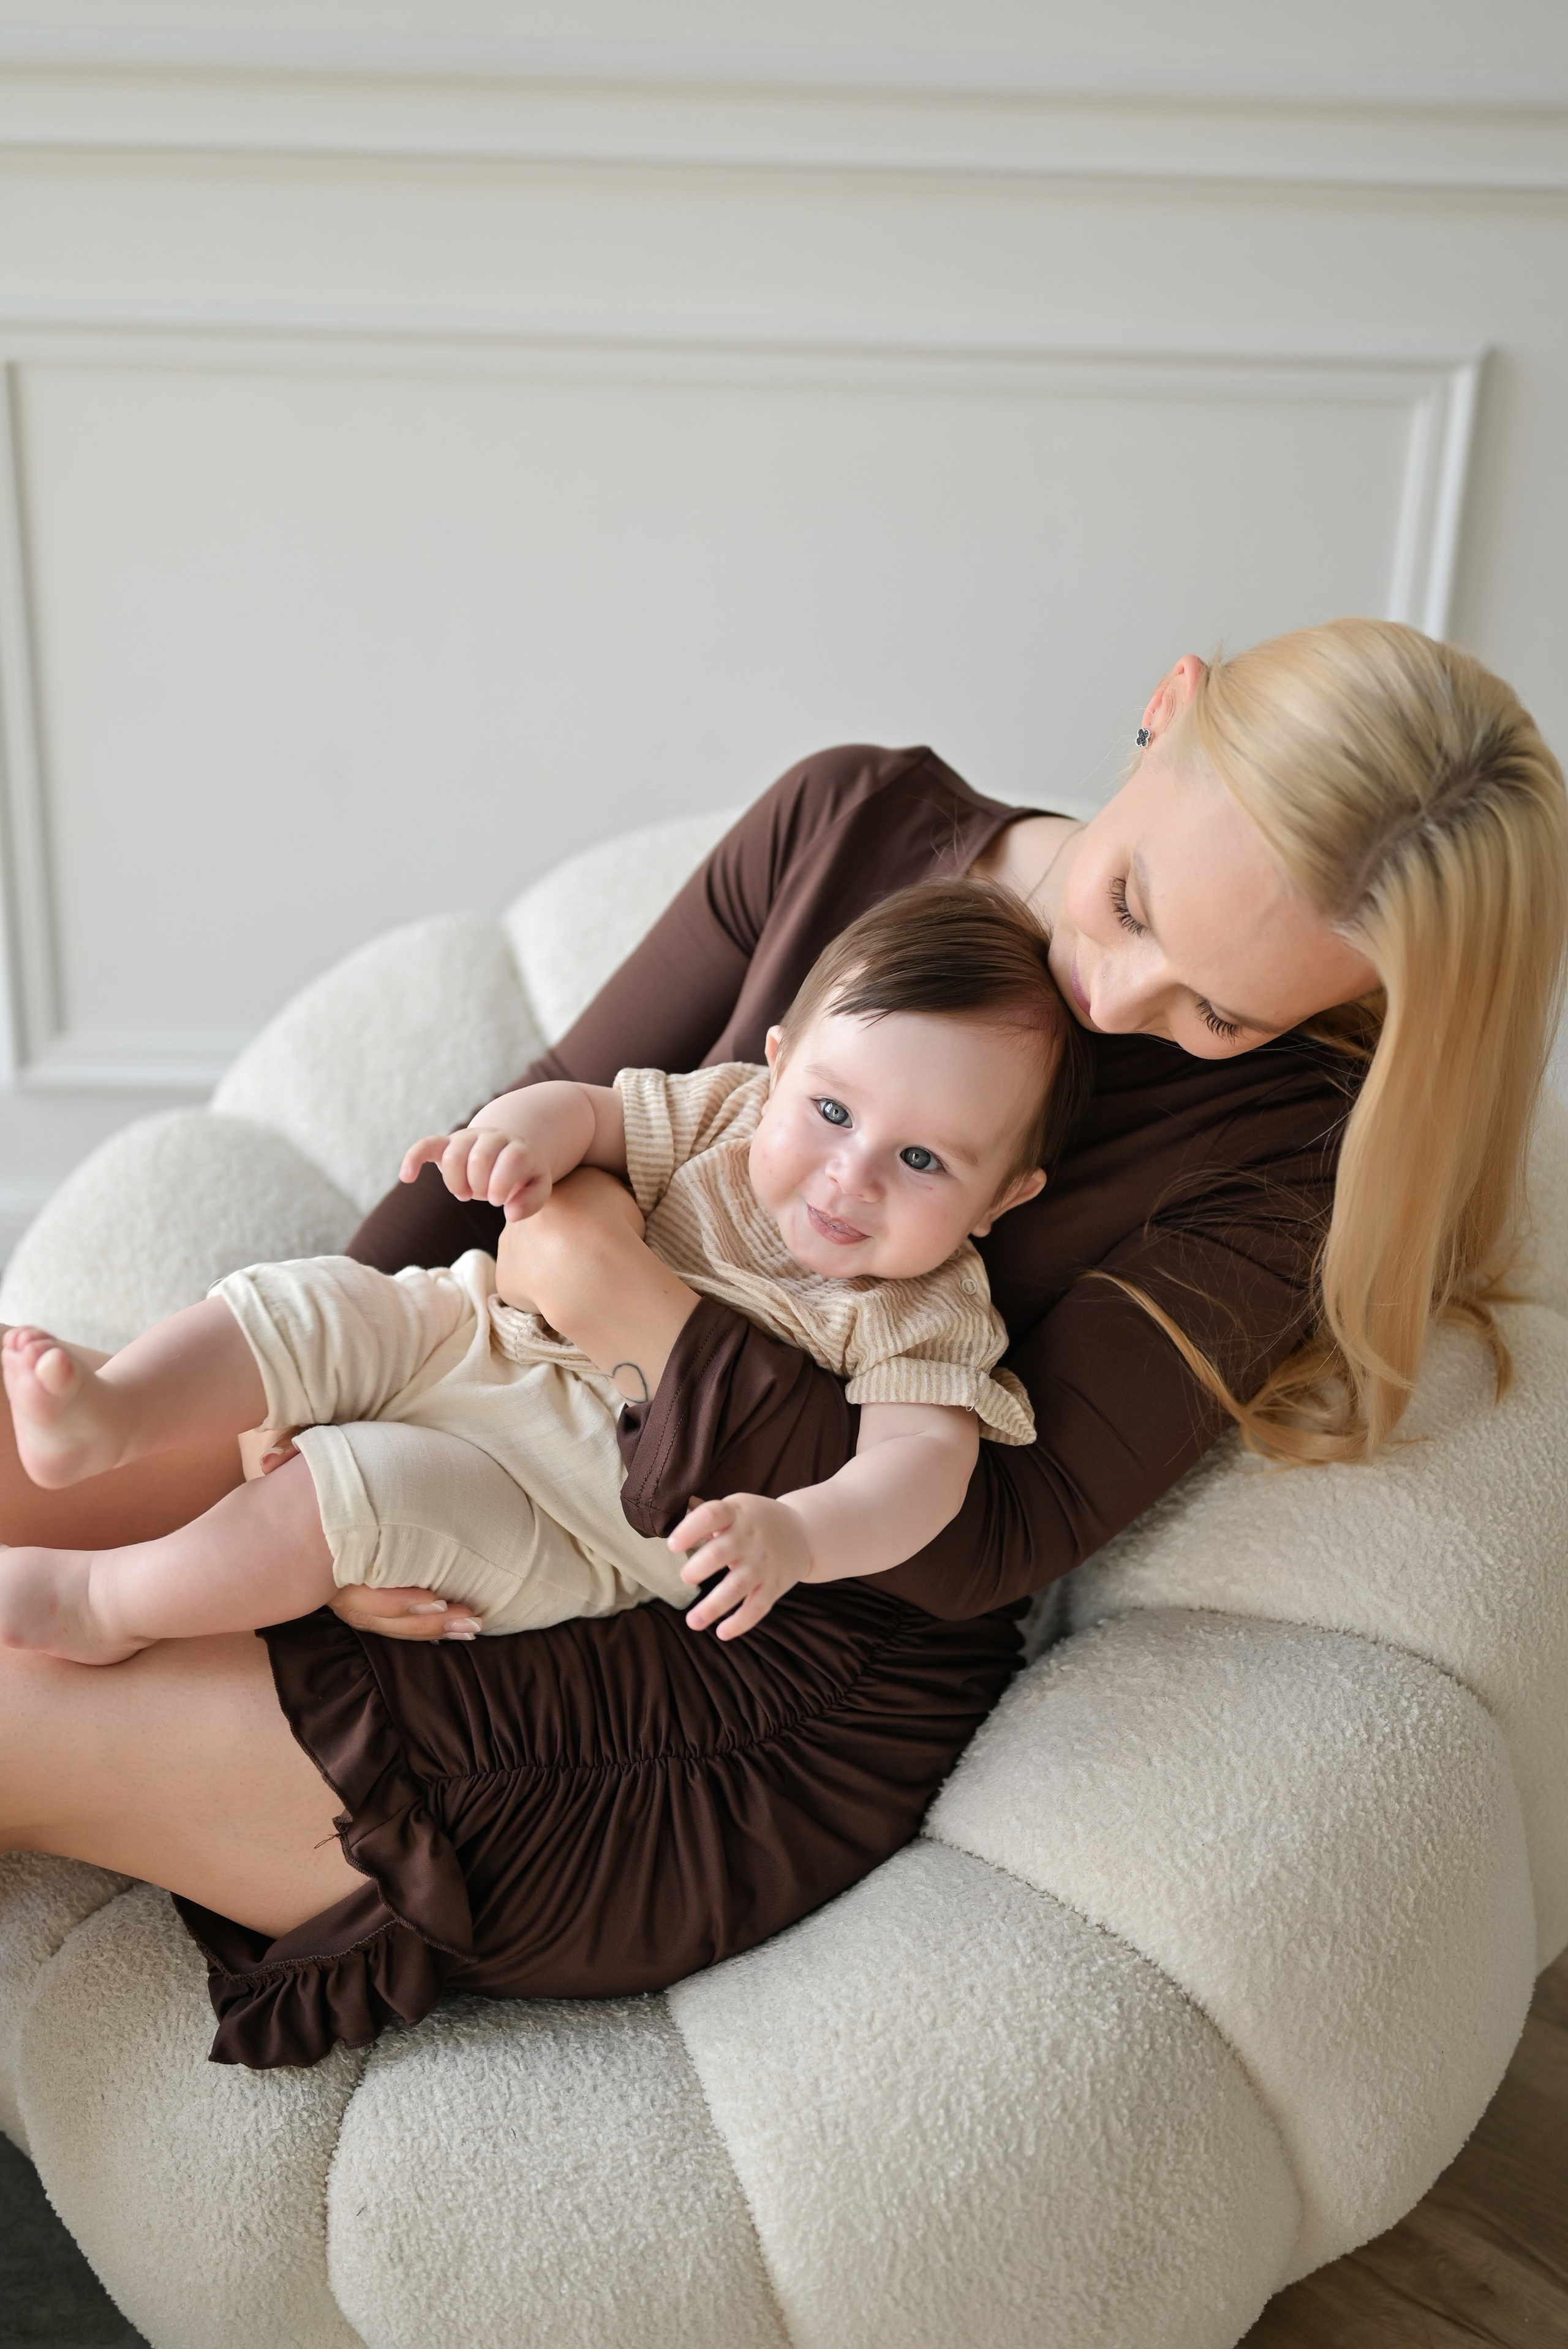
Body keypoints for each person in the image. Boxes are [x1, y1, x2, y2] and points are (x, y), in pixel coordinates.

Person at [0, 618, 1561, 2070]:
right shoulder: (847, 823)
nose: (1115, 995)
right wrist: (289, 1416)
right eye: (1131, 905)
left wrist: (636, 1310)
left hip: (731, 1659)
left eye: (1221, 1013)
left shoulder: (1285, 1164)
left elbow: (984, 1537)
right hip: (494, 1390)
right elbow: (519, 1138)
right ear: (1168, 707)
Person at [0, 884, 1089, 1663]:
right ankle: (113, 1413)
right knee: (320, 1302)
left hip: (573, 1506)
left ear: (1004, 1199)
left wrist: (802, 1534)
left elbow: (921, 1477)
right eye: (834, 1110)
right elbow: (594, 1111)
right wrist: (517, 1136)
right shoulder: (725, 1113)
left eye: (922, 1160)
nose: (851, 1177)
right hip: (473, 1331)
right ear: (778, 1063)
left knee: (345, 1499)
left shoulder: (927, 1309)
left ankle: (107, 1602)